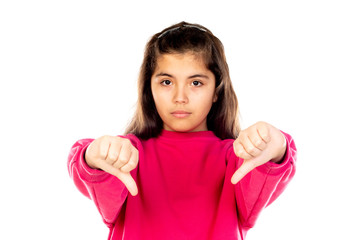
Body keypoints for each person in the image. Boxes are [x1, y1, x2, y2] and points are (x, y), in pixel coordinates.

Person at [68, 21, 297, 240]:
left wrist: (276, 144)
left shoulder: (237, 159)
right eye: (167, 82)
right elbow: (85, 165)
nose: (180, 98)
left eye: (196, 83)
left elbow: (273, 161)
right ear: (150, 88)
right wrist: (93, 157)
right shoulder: (128, 156)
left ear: (216, 90)